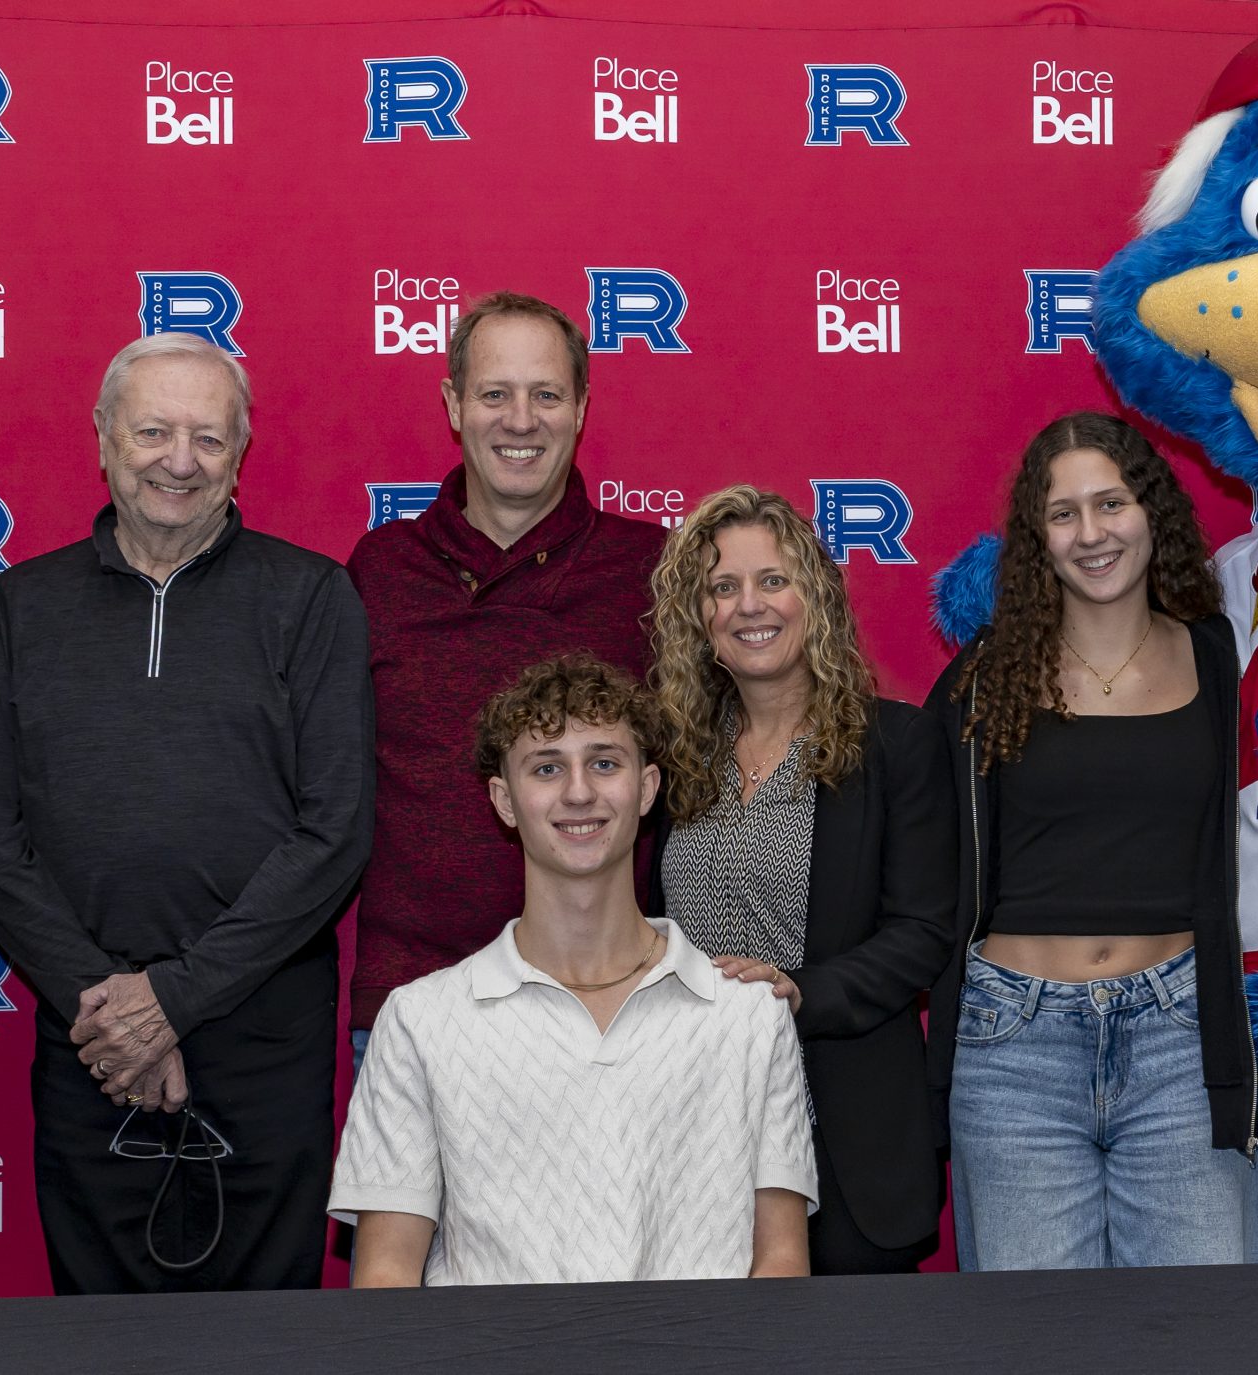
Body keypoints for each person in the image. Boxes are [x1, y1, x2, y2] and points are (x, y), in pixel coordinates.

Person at [0, 332, 372, 1294]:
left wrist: (173, 1000)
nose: (179, 460)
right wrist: (112, 1009)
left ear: (240, 453)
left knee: (269, 1340)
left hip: (265, 1039)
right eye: (152, 431)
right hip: (90, 1039)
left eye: (208, 438)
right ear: (103, 437)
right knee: (101, 1338)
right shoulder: (23, 604)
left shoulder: (311, 597)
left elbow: (334, 829)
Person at [331, 655, 815, 1285]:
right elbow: (385, 1279)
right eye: (547, 767)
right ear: (504, 801)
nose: (579, 792)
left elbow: (781, 1266)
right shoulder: (418, 1022)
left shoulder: (748, 1016)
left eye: (605, 763)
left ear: (647, 788)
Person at [924, 411, 1258, 1270]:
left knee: (1210, 1325)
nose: (1091, 533)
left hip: (1184, 1040)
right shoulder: (983, 678)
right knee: (1035, 1334)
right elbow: (914, 856)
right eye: (1063, 513)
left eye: (1111, 503)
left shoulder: (1223, 658)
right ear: (1038, 539)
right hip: (1014, 1051)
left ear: (1152, 510)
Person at [345, 292, 669, 1061]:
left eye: (546, 394)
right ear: (454, 405)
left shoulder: (653, 571)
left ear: (581, 408)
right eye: (495, 394)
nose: (520, 420)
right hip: (413, 1009)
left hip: (604, 1007)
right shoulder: (380, 571)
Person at [642, 485, 953, 1274]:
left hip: (844, 1138)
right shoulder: (670, 758)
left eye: (773, 580)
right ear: (700, 616)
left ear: (813, 595)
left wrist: (799, 991)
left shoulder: (895, 744)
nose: (749, 605)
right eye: (723, 586)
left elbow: (923, 932)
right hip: (690, 1133)